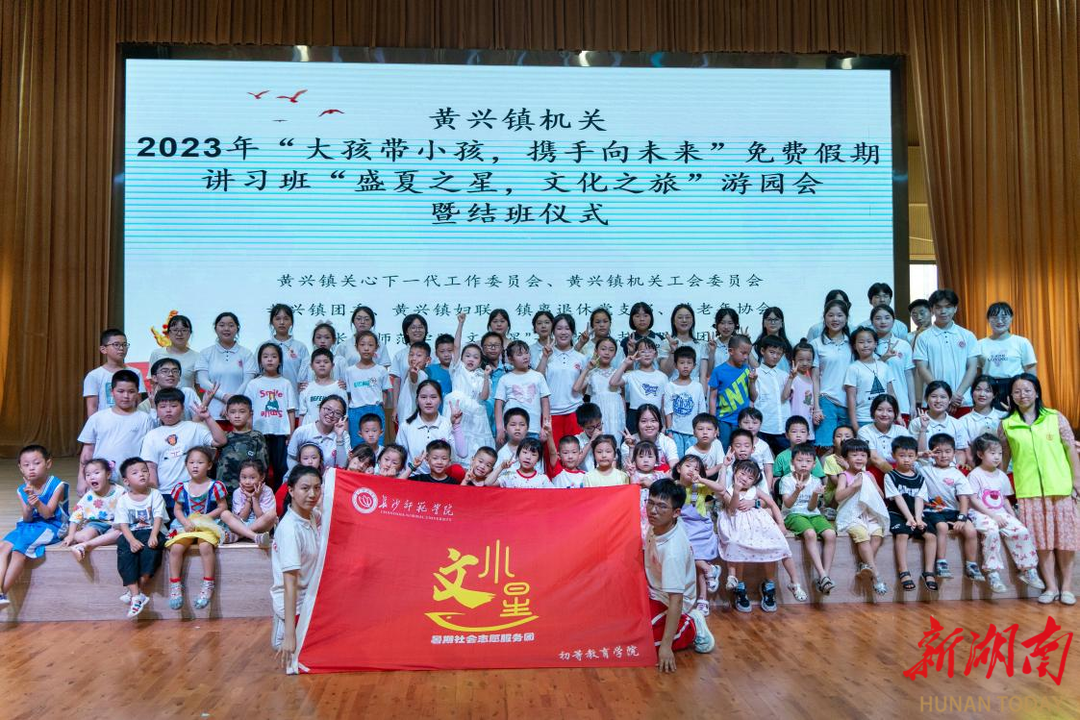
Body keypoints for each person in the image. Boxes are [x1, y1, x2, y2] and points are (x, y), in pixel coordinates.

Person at [997, 373, 1079, 603]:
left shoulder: (1055, 417)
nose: (1022, 395)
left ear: (1036, 392)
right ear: (1011, 396)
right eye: (1017, 391)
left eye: (1027, 390)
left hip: (1059, 488)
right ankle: (1050, 587)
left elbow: (1070, 449)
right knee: (1041, 543)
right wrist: (997, 487)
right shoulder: (1006, 424)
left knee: (1065, 541)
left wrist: (1076, 480)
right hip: (1029, 491)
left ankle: (1067, 587)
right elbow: (1004, 457)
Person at [716, 459, 807, 612]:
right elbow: (732, 508)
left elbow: (772, 504)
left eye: (750, 477)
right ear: (735, 471)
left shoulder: (756, 490)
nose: (745, 478)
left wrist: (781, 523)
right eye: (742, 473)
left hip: (760, 525)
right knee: (736, 543)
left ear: (755, 481)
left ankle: (794, 583)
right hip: (736, 524)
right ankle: (738, 584)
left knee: (780, 545)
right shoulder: (728, 490)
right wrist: (736, 491)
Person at [643, 479, 715, 673]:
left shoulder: (673, 551)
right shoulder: (659, 524)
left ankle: (692, 625)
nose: (653, 511)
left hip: (671, 601)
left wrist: (666, 647)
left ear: (676, 513)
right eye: (650, 503)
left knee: (644, 642)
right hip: (653, 589)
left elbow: (676, 599)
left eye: (661, 506)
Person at [966, 432, 1044, 595]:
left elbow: (1005, 499)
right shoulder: (975, 475)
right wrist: (993, 516)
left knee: (1021, 530)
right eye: (992, 453)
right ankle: (993, 573)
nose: (997, 457)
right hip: (980, 513)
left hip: (1000, 512)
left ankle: (1028, 569)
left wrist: (1013, 517)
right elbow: (973, 499)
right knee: (991, 530)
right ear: (980, 454)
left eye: (1000, 453)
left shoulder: (1002, 476)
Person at [0, 445, 68, 608]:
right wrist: (29, 505)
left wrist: (36, 501)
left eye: (36, 463)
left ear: (48, 463)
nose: (31, 468)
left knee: (19, 549)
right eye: (26, 465)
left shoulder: (57, 485)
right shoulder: (21, 490)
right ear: (20, 468)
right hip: (31, 525)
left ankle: (2, 594)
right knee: (3, 547)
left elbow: (48, 514)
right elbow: (27, 518)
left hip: (52, 525)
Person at [140, 387, 226, 513]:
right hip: (165, 493)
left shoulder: (195, 428)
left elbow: (220, 441)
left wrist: (208, 418)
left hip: (195, 492)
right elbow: (151, 467)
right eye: (162, 406)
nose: (168, 410)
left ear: (182, 408)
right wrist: (154, 494)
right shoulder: (151, 436)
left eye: (173, 406)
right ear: (156, 410)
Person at [272, 465, 323, 673]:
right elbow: (289, 583)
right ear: (291, 490)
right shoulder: (290, 530)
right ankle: (281, 634)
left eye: (317, 488)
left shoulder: (311, 516)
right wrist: (290, 635)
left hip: (311, 601)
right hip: (295, 606)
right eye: (305, 488)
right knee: (299, 668)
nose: (312, 494)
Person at [165, 447, 228, 611]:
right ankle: (175, 585)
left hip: (207, 524)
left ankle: (208, 584)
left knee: (205, 545)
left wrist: (205, 518)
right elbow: (177, 509)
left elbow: (222, 507)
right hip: (187, 524)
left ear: (209, 465)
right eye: (191, 462)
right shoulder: (181, 487)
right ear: (186, 465)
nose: (195, 466)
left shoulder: (215, 486)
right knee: (176, 548)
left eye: (200, 462)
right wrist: (185, 522)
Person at [77, 369, 154, 490]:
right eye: (120, 391)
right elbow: (87, 451)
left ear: (137, 393)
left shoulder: (145, 419)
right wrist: (81, 480)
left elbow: (150, 454)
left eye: (131, 392)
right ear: (111, 392)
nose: (126, 396)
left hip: (132, 481)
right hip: (102, 480)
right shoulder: (97, 418)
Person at [921, 433, 983, 583]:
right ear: (931, 453)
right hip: (932, 511)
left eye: (948, 451)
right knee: (942, 527)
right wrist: (923, 454)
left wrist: (962, 517)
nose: (943, 456)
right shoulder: (924, 469)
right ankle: (941, 563)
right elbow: (909, 460)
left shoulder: (957, 474)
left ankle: (971, 565)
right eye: (938, 452)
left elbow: (964, 498)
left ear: (954, 453)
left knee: (971, 530)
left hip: (953, 511)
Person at [113, 457, 168, 619]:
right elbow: (123, 524)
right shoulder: (123, 500)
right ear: (126, 481)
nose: (142, 474)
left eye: (145, 471)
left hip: (152, 531)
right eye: (135, 473)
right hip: (132, 534)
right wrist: (131, 541)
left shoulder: (155, 494)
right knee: (124, 550)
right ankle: (137, 595)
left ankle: (134, 594)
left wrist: (153, 535)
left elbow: (158, 517)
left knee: (151, 552)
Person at [834, 438, 889, 596]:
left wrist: (870, 487)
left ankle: (864, 564)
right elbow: (838, 497)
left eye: (863, 455)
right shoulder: (844, 475)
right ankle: (876, 574)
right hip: (851, 515)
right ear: (846, 458)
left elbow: (880, 495)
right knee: (862, 535)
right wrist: (854, 486)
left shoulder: (869, 475)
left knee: (877, 534)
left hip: (868, 514)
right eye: (854, 455)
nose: (859, 458)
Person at [779, 443, 836, 594]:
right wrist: (797, 491)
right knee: (810, 533)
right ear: (792, 462)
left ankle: (825, 577)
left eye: (808, 461)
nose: (804, 464)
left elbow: (811, 508)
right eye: (799, 460)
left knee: (831, 534)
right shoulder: (786, 480)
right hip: (792, 514)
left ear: (814, 464)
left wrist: (816, 495)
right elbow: (787, 504)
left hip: (813, 514)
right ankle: (822, 574)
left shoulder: (816, 480)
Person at [884, 436, 938, 593]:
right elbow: (898, 498)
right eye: (902, 455)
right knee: (902, 534)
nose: (906, 459)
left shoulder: (920, 478)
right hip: (897, 513)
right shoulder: (890, 476)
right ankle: (904, 571)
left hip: (916, 514)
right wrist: (909, 518)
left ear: (916, 457)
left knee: (931, 536)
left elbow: (920, 499)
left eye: (910, 456)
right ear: (893, 456)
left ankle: (929, 572)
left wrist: (918, 519)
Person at [669, 455, 721, 615]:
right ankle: (709, 569)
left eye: (696, 468)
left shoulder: (701, 486)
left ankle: (703, 600)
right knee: (692, 556)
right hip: (682, 527)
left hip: (700, 527)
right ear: (679, 468)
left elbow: (721, 489)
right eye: (688, 466)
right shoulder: (673, 486)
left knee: (699, 557)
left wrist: (702, 479)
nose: (692, 470)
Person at [913, 289, 979, 414]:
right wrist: (944, 395)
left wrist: (957, 395)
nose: (943, 311)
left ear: (955, 308)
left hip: (962, 400)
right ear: (932, 309)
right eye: (938, 307)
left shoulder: (967, 335)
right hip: (934, 401)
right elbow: (922, 369)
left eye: (948, 307)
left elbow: (972, 368)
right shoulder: (923, 337)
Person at [241, 343, 298, 488]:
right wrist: (249, 432)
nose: (270, 360)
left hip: (280, 433)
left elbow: (291, 410)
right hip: (259, 435)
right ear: (260, 361)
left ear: (280, 360)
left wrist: (291, 434)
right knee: (259, 470)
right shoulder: (254, 384)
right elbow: (248, 411)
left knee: (281, 470)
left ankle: (279, 499)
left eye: (274, 356)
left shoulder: (285, 383)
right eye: (265, 357)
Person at [445, 313, 494, 458]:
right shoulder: (458, 368)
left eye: (475, 357)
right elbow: (456, 346)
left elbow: (483, 396)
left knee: (475, 447)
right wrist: (460, 324)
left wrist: (486, 377)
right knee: (456, 443)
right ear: (461, 358)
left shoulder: (481, 375)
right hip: (458, 409)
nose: (471, 359)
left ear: (480, 361)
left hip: (476, 415)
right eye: (467, 356)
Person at [194, 312, 257, 420]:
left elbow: (248, 381)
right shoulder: (206, 353)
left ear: (237, 328)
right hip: (211, 413)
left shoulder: (246, 353)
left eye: (231, 325)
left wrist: (232, 402)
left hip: (240, 413)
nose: (226, 329)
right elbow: (203, 382)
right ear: (215, 329)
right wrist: (224, 397)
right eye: (222, 325)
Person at [536, 314, 586, 449]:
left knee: (575, 454)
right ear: (553, 332)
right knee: (552, 454)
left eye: (567, 328)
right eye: (559, 328)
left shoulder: (581, 358)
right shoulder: (545, 354)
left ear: (573, 332)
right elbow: (537, 379)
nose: (563, 332)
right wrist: (545, 357)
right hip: (551, 413)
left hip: (575, 412)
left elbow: (583, 388)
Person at [395, 380, 466, 471]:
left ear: (440, 400)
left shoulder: (447, 425)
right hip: (413, 477)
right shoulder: (406, 426)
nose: (428, 401)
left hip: (440, 477)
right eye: (423, 397)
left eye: (433, 397)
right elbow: (399, 458)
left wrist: (456, 425)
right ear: (417, 400)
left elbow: (463, 454)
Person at [63, 457, 123, 561]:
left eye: (96, 473)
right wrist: (71, 535)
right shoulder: (88, 496)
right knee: (82, 537)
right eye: (88, 475)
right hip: (95, 524)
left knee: (121, 534)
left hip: (115, 525)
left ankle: (87, 545)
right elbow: (76, 515)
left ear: (108, 474)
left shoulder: (120, 492)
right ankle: (94, 540)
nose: (92, 477)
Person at [811, 300, 852, 448]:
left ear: (846, 318)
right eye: (831, 315)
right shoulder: (816, 344)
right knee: (825, 446)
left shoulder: (852, 343)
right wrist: (816, 406)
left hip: (849, 402)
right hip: (826, 401)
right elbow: (815, 377)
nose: (835, 319)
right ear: (824, 317)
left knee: (847, 449)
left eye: (840, 315)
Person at [977, 302, 1037, 402]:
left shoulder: (1022, 342)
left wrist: (1031, 393)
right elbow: (977, 373)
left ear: (1011, 318)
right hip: (989, 389)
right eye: (995, 317)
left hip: (1015, 388)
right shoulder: (980, 344)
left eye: (1004, 317)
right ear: (988, 319)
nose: (999, 321)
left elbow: (1030, 372)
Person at [494, 341, 550, 444]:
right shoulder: (505, 379)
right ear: (510, 359)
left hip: (533, 428)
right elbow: (498, 404)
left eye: (527, 353)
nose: (525, 357)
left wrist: (545, 427)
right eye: (519, 354)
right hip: (512, 430)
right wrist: (500, 428)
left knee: (531, 454)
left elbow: (545, 402)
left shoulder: (538, 376)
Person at [344, 330, 392, 448]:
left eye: (370, 345)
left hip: (375, 410)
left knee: (376, 445)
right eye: (362, 345)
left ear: (376, 347)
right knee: (357, 446)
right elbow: (348, 395)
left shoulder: (381, 370)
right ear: (356, 347)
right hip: (355, 411)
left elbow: (385, 391)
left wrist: (380, 408)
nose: (366, 348)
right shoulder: (349, 371)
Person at [83, 328, 146, 417]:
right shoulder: (94, 375)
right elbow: (92, 406)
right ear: (103, 349)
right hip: (105, 422)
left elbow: (138, 403)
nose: (121, 348)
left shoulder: (136, 372)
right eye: (116, 345)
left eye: (124, 345)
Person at [844, 326, 895, 433]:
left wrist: (897, 415)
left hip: (885, 417)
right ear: (854, 346)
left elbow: (891, 393)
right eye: (861, 342)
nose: (865, 345)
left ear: (875, 344)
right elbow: (851, 397)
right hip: (863, 418)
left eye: (869, 341)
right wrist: (854, 424)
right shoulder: (853, 368)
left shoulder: (884, 366)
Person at [707, 334, 756, 447]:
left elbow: (753, 397)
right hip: (723, 420)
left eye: (748, 354)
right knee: (723, 450)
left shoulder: (747, 370)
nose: (745, 357)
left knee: (741, 450)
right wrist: (713, 423)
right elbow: (712, 398)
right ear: (731, 351)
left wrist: (752, 382)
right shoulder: (718, 371)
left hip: (743, 420)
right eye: (743, 353)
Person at [610, 338, 667, 433]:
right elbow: (613, 383)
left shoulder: (663, 377)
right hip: (635, 414)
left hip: (655, 415)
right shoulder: (631, 374)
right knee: (632, 441)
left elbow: (664, 403)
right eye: (643, 351)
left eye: (650, 351)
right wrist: (625, 363)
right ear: (636, 354)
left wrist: (664, 424)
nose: (647, 354)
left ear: (656, 354)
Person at [870, 305, 916, 420]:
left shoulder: (903, 345)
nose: (883, 321)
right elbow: (866, 372)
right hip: (874, 406)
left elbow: (909, 376)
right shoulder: (867, 345)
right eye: (878, 318)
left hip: (901, 404)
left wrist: (912, 404)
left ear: (893, 320)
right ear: (872, 322)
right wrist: (883, 358)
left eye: (887, 318)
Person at [573, 337, 625, 439]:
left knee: (615, 440)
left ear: (615, 354)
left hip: (615, 410)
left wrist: (624, 416)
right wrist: (587, 369)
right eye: (603, 349)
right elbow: (576, 388)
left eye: (611, 350)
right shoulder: (592, 373)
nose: (607, 353)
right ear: (596, 351)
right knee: (598, 440)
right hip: (597, 410)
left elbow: (622, 396)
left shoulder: (618, 372)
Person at [217, 395, 270, 495]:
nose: (237, 416)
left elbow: (262, 465)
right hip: (224, 490)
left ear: (250, 414)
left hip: (248, 490)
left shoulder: (257, 437)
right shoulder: (223, 437)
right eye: (233, 412)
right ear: (227, 415)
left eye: (242, 412)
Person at [663, 346, 707, 457]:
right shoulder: (670, 386)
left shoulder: (698, 387)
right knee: (676, 459)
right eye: (682, 363)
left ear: (694, 366)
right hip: (676, 432)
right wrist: (669, 431)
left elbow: (701, 411)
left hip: (693, 433)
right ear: (675, 365)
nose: (685, 366)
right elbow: (668, 411)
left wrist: (701, 430)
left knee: (692, 460)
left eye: (689, 363)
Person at [910, 381, 969, 466]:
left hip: (950, 468)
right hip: (924, 469)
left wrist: (959, 465)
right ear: (926, 399)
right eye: (934, 396)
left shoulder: (957, 424)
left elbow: (960, 451)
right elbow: (919, 454)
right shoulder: (915, 423)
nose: (938, 401)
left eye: (943, 397)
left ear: (950, 400)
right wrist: (923, 429)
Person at [220, 459, 276, 546]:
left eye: (252, 478)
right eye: (244, 477)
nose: (247, 482)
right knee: (224, 514)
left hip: (261, 527)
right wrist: (248, 500)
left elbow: (261, 517)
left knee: (272, 514)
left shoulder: (267, 491)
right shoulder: (237, 492)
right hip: (241, 524)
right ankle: (255, 536)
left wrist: (255, 498)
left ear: (262, 477)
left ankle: (239, 536)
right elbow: (243, 518)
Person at [286, 396, 351, 471]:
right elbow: (292, 458)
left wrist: (339, 436)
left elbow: (342, 465)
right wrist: (298, 476)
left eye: (337, 413)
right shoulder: (301, 432)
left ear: (342, 417)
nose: (331, 415)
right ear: (320, 408)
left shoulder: (343, 435)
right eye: (328, 409)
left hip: (330, 477)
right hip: (303, 476)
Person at [751, 335, 789, 451]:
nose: (775, 356)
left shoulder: (784, 375)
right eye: (772, 352)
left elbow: (786, 397)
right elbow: (753, 397)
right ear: (763, 351)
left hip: (782, 427)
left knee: (785, 458)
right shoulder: (755, 373)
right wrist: (751, 382)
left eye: (779, 354)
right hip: (763, 426)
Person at [137, 357, 202, 425]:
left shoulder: (187, 393)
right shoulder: (144, 406)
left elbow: (199, 418)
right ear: (154, 378)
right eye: (165, 371)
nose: (171, 374)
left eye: (175, 371)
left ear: (179, 377)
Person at [856, 394, 908, 475]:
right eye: (880, 410)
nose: (884, 414)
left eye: (889, 411)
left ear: (895, 413)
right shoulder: (865, 431)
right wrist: (897, 476)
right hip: (872, 472)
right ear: (873, 412)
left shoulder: (902, 431)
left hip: (900, 470)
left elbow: (907, 456)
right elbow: (874, 458)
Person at [620, 404, 678, 471]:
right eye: (644, 421)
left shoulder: (667, 442)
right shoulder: (628, 444)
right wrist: (631, 448)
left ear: (659, 423)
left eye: (653, 421)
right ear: (637, 423)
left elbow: (675, 469)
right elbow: (627, 470)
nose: (649, 425)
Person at [266, 303, 309, 392]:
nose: (282, 322)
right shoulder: (264, 347)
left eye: (286, 319)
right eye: (278, 319)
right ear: (272, 322)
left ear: (291, 322)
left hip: (295, 396)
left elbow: (307, 376)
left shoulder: (300, 347)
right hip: (268, 395)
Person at [297, 348, 348, 423]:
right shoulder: (306, 388)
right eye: (318, 362)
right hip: (310, 429)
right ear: (311, 366)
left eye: (326, 362)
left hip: (332, 429)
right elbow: (302, 414)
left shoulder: (339, 387)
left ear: (332, 365)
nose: (322, 365)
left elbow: (344, 416)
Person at [149, 314, 199, 389]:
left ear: (190, 333)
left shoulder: (197, 357)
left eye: (184, 330)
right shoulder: (157, 354)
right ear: (168, 333)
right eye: (175, 330)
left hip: (187, 396)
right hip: (163, 396)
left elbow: (197, 385)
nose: (179, 334)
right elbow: (153, 381)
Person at [660, 304, 707, 380]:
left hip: (695, 385)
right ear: (673, 321)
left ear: (693, 321)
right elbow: (665, 374)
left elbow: (703, 376)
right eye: (680, 317)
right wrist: (672, 352)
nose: (684, 320)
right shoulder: (666, 343)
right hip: (672, 385)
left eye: (687, 317)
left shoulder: (701, 345)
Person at [958, 375, 1006, 450]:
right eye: (978, 389)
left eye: (987, 391)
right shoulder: (963, 422)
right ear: (972, 393)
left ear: (994, 395)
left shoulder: (1004, 417)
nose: (982, 394)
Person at [782, 341, 817, 443]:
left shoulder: (810, 379)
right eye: (801, 360)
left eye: (809, 360)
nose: (805, 363)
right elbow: (784, 396)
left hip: (808, 425)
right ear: (793, 360)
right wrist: (790, 378)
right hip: (795, 426)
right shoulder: (793, 378)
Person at [736, 408, 775, 491]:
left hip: (759, 483)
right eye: (746, 422)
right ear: (739, 424)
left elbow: (768, 471)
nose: (750, 426)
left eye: (755, 423)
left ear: (760, 424)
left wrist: (767, 490)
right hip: (739, 481)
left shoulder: (764, 446)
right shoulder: (735, 444)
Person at [701, 308, 739, 387]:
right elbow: (708, 374)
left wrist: (745, 344)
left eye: (730, 323)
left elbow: (745, 369)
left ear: (735, 325)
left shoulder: (739, 345)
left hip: (736, 388)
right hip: (716, 388)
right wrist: (712, 352)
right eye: (722, 323)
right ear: (717, 325)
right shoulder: (708, 345)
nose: (726, 327)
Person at [750, 307, 792, 374]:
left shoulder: (789, 346)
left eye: (776, 319)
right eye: (769, 319)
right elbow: (756, 370)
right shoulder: (756, 347)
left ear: (782, 323)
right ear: (764, 323)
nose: (773, 322)